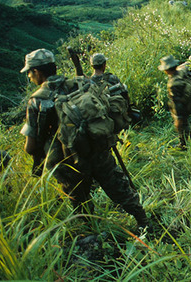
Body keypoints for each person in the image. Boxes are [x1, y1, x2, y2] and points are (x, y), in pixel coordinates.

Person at [20, 48, 149, 229]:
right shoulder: (80, 83)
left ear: (37, 71)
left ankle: (92, 230)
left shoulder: (37, 101)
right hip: (97, 146)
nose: (29, 77)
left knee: (79, 198)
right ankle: (144, 221)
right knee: (117, 186)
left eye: (30, 73)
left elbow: (31, 146)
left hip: (68, 160)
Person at [159, 54, 191, 149]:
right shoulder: (180, 70)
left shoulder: (174, 84)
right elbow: (187, 65)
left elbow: (177, 103)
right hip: (189, 100)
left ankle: (186, 143)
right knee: (185, 124)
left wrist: (178, 118)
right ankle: (190, 142)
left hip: (183, 104)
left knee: (180, 125)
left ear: (166, 69)